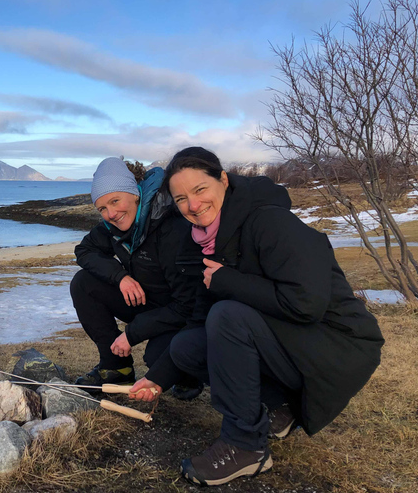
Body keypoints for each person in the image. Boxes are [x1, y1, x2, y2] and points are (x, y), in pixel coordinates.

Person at [129, 147, 384, 487]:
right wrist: (158, 377)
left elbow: (307, 304)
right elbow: (198, 319)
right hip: (297, 341)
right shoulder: (204, 241)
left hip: (340, 343)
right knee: (189, 345)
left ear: (223, 180)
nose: (192, 205)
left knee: (228, 317)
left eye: (200, 190)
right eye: (180, 198)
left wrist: (228, 281)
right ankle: (280, 405)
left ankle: (245, 446)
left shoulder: (269, 221)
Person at [71, 157, 204, 397]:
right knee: (83, 283)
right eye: (102, 208)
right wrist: (119, 276)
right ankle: (116, 368)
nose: (111, 213)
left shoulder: (171, 227)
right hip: (145, 301)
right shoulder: (112, 227)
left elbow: (188, 305)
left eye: (115, 201)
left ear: (134, 193)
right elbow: (84, 251)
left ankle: (189, 373)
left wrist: (132, 334)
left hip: (183, 313)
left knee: (156, 356)